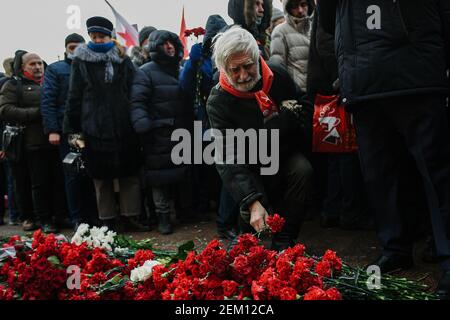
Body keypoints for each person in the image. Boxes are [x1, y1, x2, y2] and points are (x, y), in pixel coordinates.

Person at [320, 0, 450, 298]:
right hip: (379, 79)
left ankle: (400, 247)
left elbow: (328, 20)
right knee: (392, 174)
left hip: (406, 74)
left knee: (424, 172)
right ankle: (398, 247)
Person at [207, 27, 314, 251]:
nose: (244, 76)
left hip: (283, 152)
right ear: (223, 69)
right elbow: (228, 156)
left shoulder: (278, 75)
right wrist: (252, 202)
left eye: (248, 66)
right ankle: (247, 238)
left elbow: (304, 105)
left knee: (302, 170)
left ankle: (285, 239)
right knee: (250, 211)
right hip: (248, 161)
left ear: (258, 58)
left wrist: (285, 120)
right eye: (234, 70)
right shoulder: (218, 100)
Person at [63, 16, 148, 232]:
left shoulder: (123, 59)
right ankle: (107, 219)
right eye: (94, 36)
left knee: (129, 173)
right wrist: (73, 130)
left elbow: (134, 89)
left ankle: (131, 215)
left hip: (124, 124)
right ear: (89, 37)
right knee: (100, 177)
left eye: (102, 36)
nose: (98, 40)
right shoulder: (80, 61)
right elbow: (74, 95)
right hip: (93, 125)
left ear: (110, 36)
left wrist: (136, 118)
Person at [131, 30, 193, 235]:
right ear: (156, 48)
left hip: (181, 132)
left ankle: (185, 212)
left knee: (183, 175)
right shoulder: (146, 71)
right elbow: (137, 101)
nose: (170, 46)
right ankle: (163, 218)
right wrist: (142, 123)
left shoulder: (181, 68)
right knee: (159, 179)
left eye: (172, 43)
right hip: (158, 133)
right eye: (164, 44)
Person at [0, 51, 67, 233]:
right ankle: (40, 218)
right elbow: (5, 110)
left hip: (52, 141)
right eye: (32, 64)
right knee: (36, 183)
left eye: (39, 63)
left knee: (55, 181)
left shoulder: (50, 82)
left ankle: (57, 215)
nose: (37, 67)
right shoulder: (13, 85)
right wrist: (37, 112)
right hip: (29, 142)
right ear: (23, 67)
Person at [41, 33, 98, 231]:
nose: (75, 50)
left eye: (79, 46)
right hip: (72, 132)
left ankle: (93, 217)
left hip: (91, 130)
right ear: (66, 47)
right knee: (74, 174)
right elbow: (48, 100)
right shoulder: (56, 69)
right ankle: (78, 218)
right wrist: (53, 130)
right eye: (72, 46)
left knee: (91, 173)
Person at [270, 0, 314, 93]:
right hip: (298, 94)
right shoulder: (280, 32)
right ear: (288, 8)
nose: (300, 10)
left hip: (319, 93)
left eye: (303, 4)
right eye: (295, 6)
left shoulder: (315, 28)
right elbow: (278, 68)